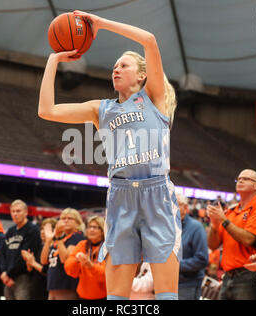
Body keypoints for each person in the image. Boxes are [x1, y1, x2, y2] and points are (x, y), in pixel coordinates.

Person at [38, 10, 181, 300]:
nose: (115, 69)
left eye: (123, 65)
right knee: (116, 296)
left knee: (166, 294)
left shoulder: (153, 98)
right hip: (120, 196)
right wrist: (53, 59)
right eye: (114, 66)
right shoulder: (100, 109)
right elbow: (47, 110)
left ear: (142, 75)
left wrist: (101, 24)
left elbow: (149, 40)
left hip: (157, 194)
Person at [207, 169, 256, 300]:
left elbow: (248, 239)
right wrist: (214, 225)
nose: (240, 180)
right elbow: (212, 245)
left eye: (246, 179)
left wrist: (223, 220)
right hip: (228, 275)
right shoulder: (230, 211)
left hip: (250, 275)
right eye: (239, 179)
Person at [40, 208, 85, 300]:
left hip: (67, 286)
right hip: (53, 286)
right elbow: (43, 261)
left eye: (70, 218)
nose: (66, 221)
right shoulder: (62, 239)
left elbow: (65, 259)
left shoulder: (77, 237)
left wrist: (58, 238)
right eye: (63, 218)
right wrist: (48, 241)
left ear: (77, 222)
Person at [0, 199, 40, 300]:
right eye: (13, 211)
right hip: (8, 278)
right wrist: (4, 271)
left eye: (18, 211)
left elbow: (25, 255)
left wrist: (9, 274)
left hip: (24, 277)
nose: (15, 214)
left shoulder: (33, 229)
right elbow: (3, 253)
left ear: (26, 212)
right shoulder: (10, 231)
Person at [64, 215, 106, 300]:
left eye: (95, 227)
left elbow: (105, 276)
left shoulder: (107, 248)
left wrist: (91, 266)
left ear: (102, 231)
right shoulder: (82, 245)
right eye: (89, 227)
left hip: (103, 296)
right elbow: (69, 269)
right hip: (83, 296)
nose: (91, 230)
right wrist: (76, 260)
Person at [177, 193, 209, 300]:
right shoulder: (168, 227)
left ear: (185, 207)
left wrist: (175, 266)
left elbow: (202, 259)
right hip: (167, 283)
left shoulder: (196, 228)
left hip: (187, 286)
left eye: (174, 204)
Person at [21, 217, 57, 300]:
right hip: (35, 287)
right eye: (41, 229)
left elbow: (47, 271)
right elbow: (30, 270)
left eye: (46, 229)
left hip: (46, 289)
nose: (42, 232)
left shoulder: (55, 248)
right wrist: (28, 262)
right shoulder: (39, 247)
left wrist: (33, 262)